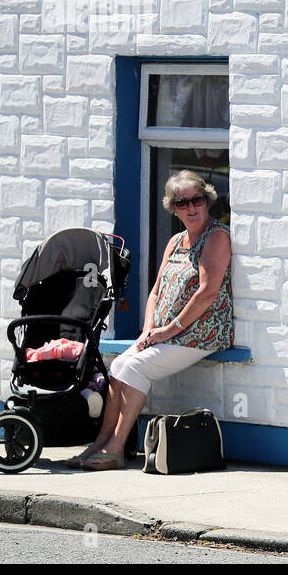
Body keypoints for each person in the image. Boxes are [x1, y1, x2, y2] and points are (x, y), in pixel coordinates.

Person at [68, 170, 233, 471]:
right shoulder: (175, 241)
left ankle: (117, 449)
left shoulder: (216, 237)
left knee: (134, 366)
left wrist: (168, 329)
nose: (191, 208)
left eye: (196, 200)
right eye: (182, 203)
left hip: (201, 334)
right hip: (166, 334)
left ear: (206, 200)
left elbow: (207, 293)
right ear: (173, 207)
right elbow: (156, 291)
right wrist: (147, 330)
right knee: (117, 365)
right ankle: (99, 443)